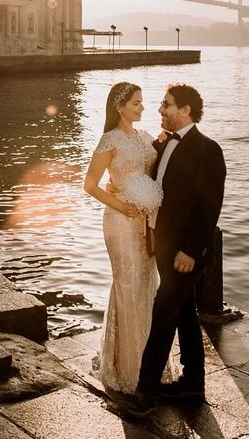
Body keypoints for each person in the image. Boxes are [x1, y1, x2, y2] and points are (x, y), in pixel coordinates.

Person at [119, 83, 227, 417]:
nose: (160, 110)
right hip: (162, 244)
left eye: (166, 105)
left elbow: (209, 208)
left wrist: (192, 251)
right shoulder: (164, 144)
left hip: (185, 253)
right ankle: (193, 381)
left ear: (186, 110)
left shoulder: (208, 150)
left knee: (163, 312)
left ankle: (145, 393)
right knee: (184, 311)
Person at [83, 82, 177, 396]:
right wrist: (122, 204)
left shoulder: (143, 137)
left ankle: (149, 366)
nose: (142, 108)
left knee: (146, 287)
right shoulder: (109, 140)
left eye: (142, 102)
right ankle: (126, 369)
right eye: (136, 103)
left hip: (144, 223)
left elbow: (154, 167)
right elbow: (91, 185)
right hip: (120, 222)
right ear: (120, 106)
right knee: (127, 286)